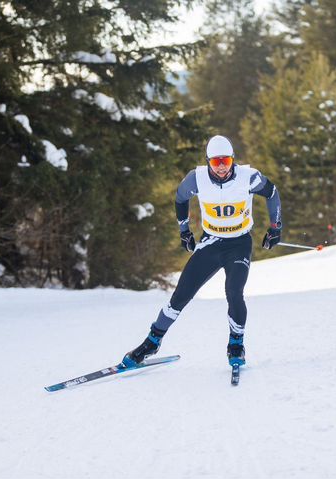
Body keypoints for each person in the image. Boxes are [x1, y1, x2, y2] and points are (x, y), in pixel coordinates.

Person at [121, 135, 283, 369]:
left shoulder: (249, 177)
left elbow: (272, 192)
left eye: (226, 162)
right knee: (181, 295)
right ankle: (152, 342)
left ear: (233, 160)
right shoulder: (195, 179)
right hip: (211, 243)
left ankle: (236, 345)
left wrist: (275, 228)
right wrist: (184, 231)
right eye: (216, 163)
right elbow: (180, 199)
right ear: (207, 162)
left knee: (234, 292)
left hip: (239, 244)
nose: (221, 168)